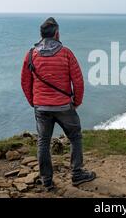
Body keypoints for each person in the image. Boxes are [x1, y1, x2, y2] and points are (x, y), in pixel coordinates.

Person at [21, 17, 96, 190]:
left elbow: (25, 82)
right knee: (75, 137)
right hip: (63, 106)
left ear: (41, 34)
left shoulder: (31, 54)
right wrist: (76, 101)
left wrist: (34, 101)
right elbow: (78, 81)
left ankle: (46, 180)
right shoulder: (66, 53)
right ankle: (77, 174)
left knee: (43, 142)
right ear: (57, 33)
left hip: (41, 107)